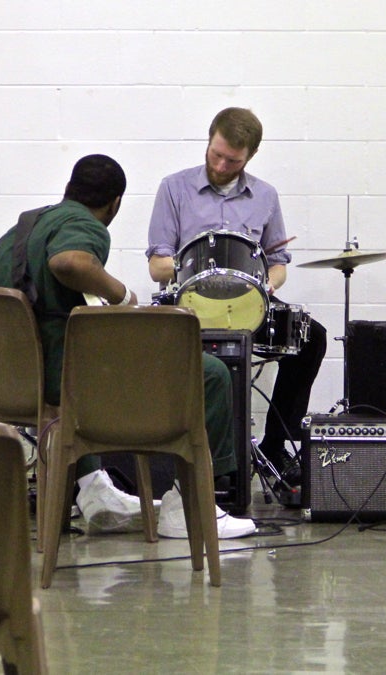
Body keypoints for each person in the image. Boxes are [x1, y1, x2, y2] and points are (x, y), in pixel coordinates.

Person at [0, 154, 256, 539]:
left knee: (85, 360)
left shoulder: (18, 231)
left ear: (70, 189)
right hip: (58, 380)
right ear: (115, 203)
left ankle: (94, 491)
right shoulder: (84, 223)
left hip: (10, 380)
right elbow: (69, 261)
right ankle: (188, 506)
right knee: (209, 372)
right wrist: (122, 295)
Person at [146, 107, 327, 487]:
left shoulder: (265, 195)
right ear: (209, 140)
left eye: (233, 160)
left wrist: (269, 284)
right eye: (216, 155)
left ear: (249, 157)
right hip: (189, 304)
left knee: (313, 337)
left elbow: (278, 263)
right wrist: (185, 269)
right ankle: (196, 458)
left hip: (248, 303)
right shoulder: (174, 188)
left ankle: (277, 444)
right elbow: (157, 267)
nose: (222, 165)